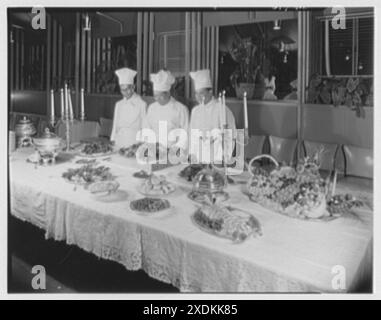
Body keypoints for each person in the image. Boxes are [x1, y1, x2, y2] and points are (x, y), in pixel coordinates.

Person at [189, 69, 236, 164]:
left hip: (217, 159)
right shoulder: (195, 111)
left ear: (210, 92)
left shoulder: (222, 109)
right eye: (196, 93)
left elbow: (231, 135)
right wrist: (191, 154)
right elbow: (192, 134)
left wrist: (225, 156)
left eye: (201, 93)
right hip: (198, 159)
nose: (198, 97)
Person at [142, 70, 189, 151]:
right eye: (155, 96)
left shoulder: (181, 109)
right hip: (153, 150)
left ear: (168, 93)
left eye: (160, 96)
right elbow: (146, 129)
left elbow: (185, 133)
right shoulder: (151, 108)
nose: (157, 99)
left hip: (173, 151)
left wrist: (175, 150)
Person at [110, 67, 147, 148]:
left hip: (134, 142)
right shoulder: (118, 104)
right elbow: (115, 124)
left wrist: (142, 143)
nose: (125, 93)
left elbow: (144, 126)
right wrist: (112, 139)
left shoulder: (141, 104)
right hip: (119, 141)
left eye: (127, 89)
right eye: (122, 90)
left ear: (133, 87)